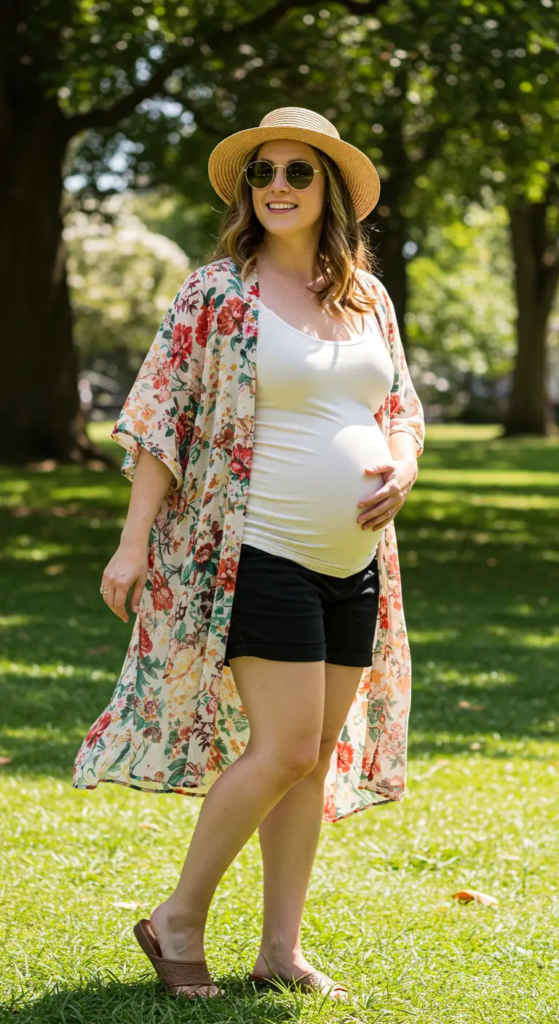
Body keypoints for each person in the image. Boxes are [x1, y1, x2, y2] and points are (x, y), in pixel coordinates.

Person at [73, 107, 425, 1002]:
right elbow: (160, 419)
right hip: (254, 549)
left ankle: (280, 948)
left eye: (295, 173)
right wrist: (131, 544)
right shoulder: (215, 293)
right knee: (285, 746)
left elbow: (400, 410)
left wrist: (405, 466)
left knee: (311, 756)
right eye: (261, 172)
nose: (274, 185)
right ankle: (177, 919)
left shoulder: (365, 295)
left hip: (355, 562)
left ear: (329, 189)